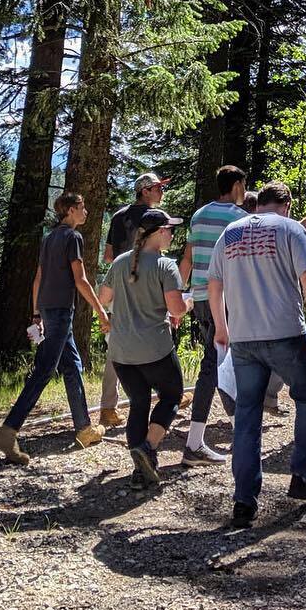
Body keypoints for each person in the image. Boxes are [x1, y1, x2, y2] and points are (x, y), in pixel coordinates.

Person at [208, 181, 306, 528]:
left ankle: (244, 501)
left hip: (243, 338)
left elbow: (214, 284)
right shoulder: (291, 229)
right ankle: (301, 477)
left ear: (258, 204)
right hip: (286, 333)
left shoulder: (230, 233)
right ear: (287, 204)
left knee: (247, 415)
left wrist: (221, 326)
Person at [0, 192, 110, 465]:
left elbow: (38, 278)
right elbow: (81, 280)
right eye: (82, 207)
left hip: (47, 309)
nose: (86, 212)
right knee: (44, 370)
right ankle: (8, 432)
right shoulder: (72, 237)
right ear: (69, 210)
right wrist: (100, 311)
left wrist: (36, 313)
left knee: (72, 365)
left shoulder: (49, 238)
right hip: (59, 311)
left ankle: (84, 428)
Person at [99, 208, 190, 489]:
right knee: (172, 394)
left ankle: (139, 472)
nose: (172, 234)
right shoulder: (165, 266)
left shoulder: (121, 262)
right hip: (154, 349)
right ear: (159, 233)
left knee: (139, 402)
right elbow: (176, 308)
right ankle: (148, 448)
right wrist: (189, 304)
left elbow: (104, 298)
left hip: (121, 352)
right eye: (170, 229)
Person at [178, 164, 249, 464]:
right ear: (235, 187)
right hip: (225, 299)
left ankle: (235, 430)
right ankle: (195, 444)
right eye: (244, 186)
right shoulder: (240, 219)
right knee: (217, 365)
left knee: (220, 362)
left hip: (201, 299)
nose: (245, 192)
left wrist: (181, 296)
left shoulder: (199, 215)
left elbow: (188, 258)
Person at [99, 172, 169, 426]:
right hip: (146, 284)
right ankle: (166, 393)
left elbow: (108, 256)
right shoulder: (156, 219)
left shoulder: (118, 216)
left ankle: (108, 407)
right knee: (156, 333)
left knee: (116, 343)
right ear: (145, 190)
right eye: (158, 188)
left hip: (118, 286)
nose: (162, 192)